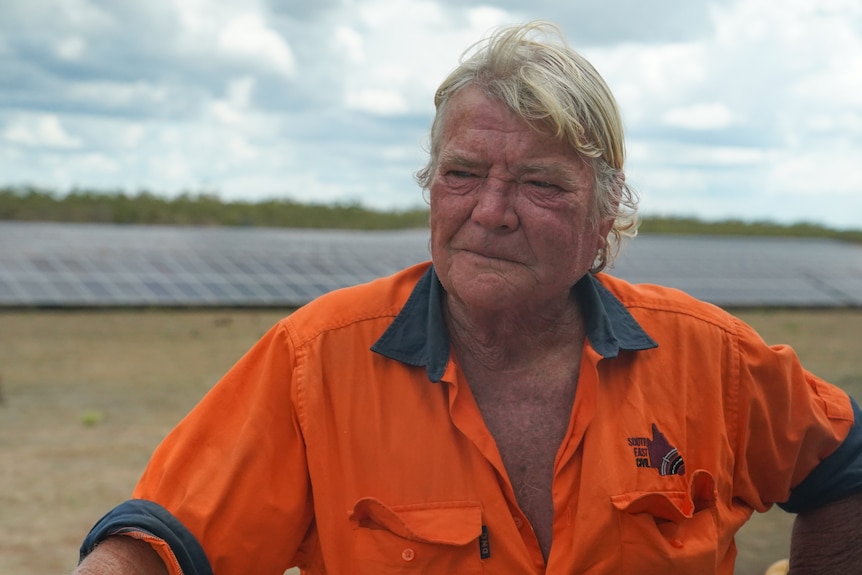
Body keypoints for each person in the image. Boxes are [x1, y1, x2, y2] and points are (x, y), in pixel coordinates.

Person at [74, 21, 862, 575]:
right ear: (430, 192)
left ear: (604, 220)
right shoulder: (318, 360)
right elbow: (163, 544)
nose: (490, 211)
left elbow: (843, 467)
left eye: (540, 184)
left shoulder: (706, 356)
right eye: (463, 174)